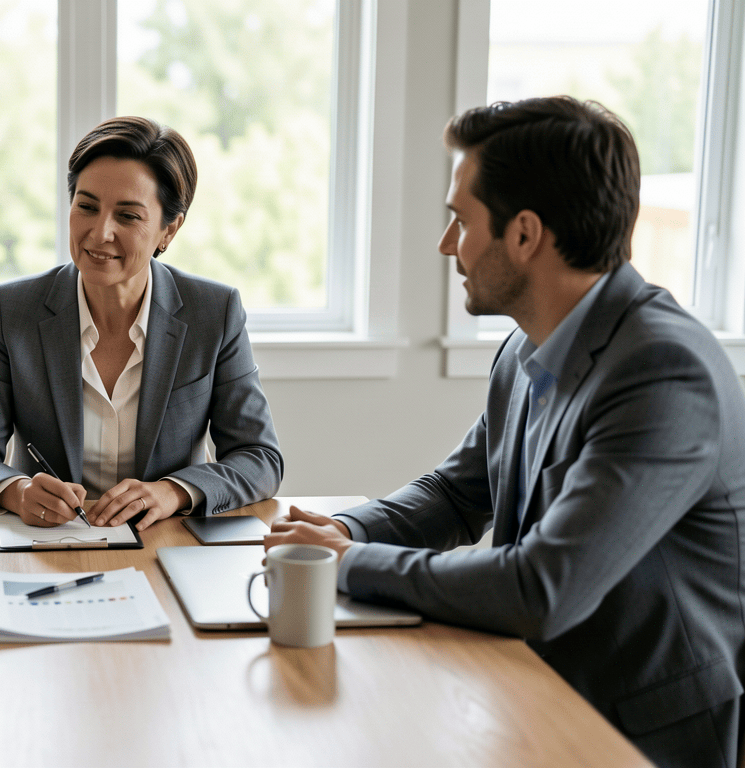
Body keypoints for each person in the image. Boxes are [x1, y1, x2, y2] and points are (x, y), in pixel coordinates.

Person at [266, 96, 745, 768]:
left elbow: (539, 590)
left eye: (460, 220)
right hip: (528, 686)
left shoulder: (665, 374)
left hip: (631, 734)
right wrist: (347, 532)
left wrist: (350, 566)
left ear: (524, 235)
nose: (444, 244)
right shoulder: (527, 349)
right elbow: (458, 495)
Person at [0, 116, 282, 531]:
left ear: (168, 230)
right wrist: (17, 491)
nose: (100, 233)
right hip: (50, 542)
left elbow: (260, 458)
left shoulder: (215, 312)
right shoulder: (11, 310)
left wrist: (173, 491)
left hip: (166, 540)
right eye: (86, 207)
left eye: (128, 216)